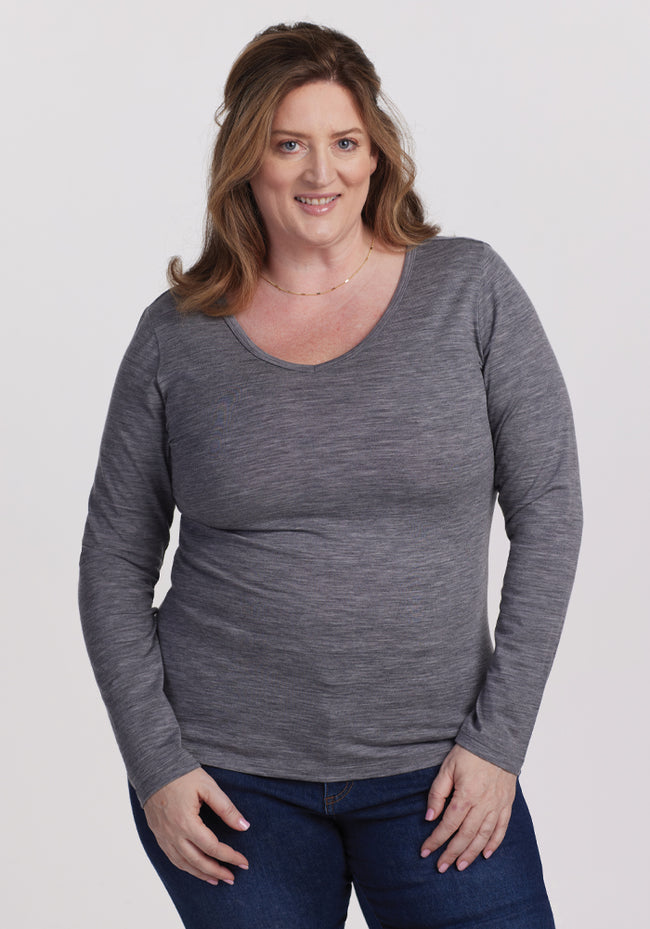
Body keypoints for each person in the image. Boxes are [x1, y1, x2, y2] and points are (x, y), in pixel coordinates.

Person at [78, 21, 583, 929]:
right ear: (247, 159)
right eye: (289, 145)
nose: (322, 172)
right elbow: (113, 560)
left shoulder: (469, 291)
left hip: (440, 773)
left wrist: (499, 742)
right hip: (228, 783)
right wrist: (156, 764)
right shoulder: (176, 335)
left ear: (377, 154)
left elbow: (549, 511)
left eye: (345, 142)